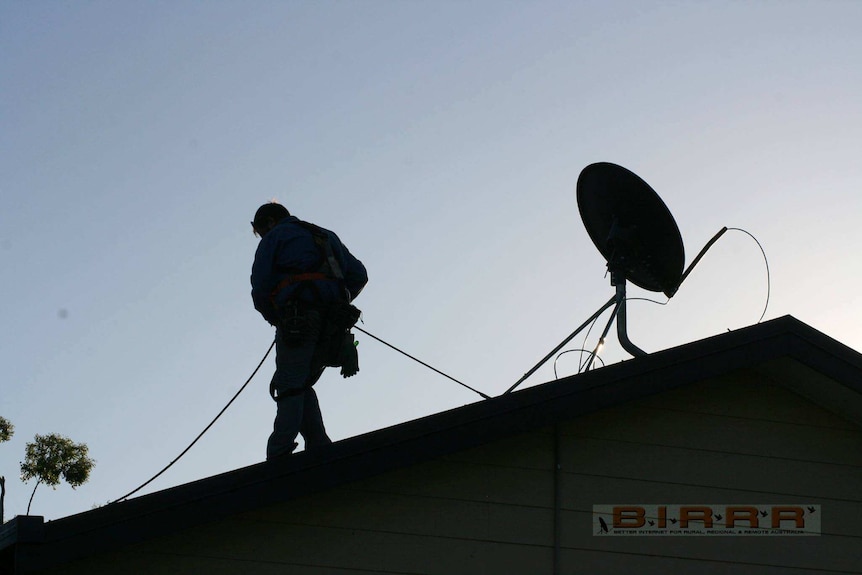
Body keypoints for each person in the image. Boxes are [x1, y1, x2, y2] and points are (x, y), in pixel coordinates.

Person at [250, 202, 367, 460]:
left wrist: (277, 317)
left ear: (269, 222)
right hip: (334, 323)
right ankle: (318, 442)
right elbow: (358, 274)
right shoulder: (324, 236)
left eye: (260, 231)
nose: (261, 237)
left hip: (298, 320)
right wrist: (337, 300)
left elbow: (259, 289)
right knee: (301, 382)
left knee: (289, 383)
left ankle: (279, 452)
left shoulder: (275, 238)